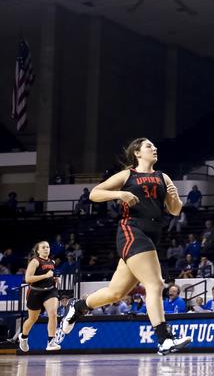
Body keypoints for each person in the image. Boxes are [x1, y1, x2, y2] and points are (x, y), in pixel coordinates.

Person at [58, 138, 190, 355]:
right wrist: (119, 194)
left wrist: (175, 199)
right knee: (155, 283)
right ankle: (164, 338)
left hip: (152, 234)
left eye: (154, 146)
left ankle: (77, 307)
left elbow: (174, 211)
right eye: (149, 146)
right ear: (137, 153)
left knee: (115, 293)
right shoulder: (128, 175)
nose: (154, 148)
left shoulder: (162, 176)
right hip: (132, 231)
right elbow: (95, 194)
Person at [18, 241, 61, 352]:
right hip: (35, 292)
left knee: (53, 313)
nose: (46, 249)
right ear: (38, 250)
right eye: (43, 247)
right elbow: (28, 279)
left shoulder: (52, 261)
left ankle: (51, 341)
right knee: (32, 319)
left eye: (48, 247)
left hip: (50, 291)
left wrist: (55, 279)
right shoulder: (35, 261)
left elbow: (51, 275)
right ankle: (23, 337)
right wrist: (45, 276)